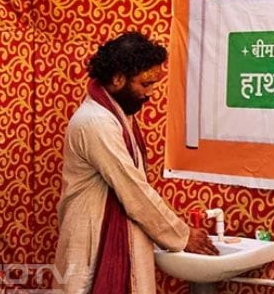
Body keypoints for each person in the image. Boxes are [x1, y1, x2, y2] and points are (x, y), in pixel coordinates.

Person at [54, 32, 218, 294]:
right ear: (118, 78)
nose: (150, 94)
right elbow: (134, 191)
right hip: (92, 236)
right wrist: (182, 234)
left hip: (114, 232)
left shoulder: (117, 115)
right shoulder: (96, 122)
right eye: (145, 84)